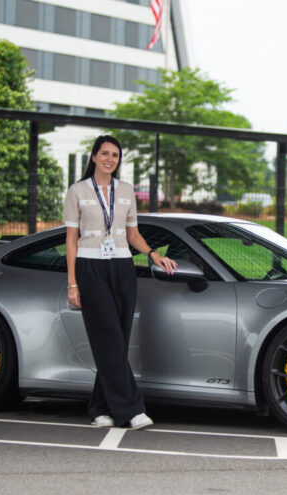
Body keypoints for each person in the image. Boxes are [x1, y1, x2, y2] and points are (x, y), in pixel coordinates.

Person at [63, 135, 177, 430]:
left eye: (115, 155)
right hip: (91, 268)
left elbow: (133, 234)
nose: (109, 159)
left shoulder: (125, 191)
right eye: (104, 153)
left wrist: (153, 254)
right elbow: (71, 240)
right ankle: (131, 408)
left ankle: (100, 408)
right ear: (93, 157)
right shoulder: (77, 191)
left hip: (123, 267)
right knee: (109, 338)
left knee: (116, 341)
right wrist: (72, 283)